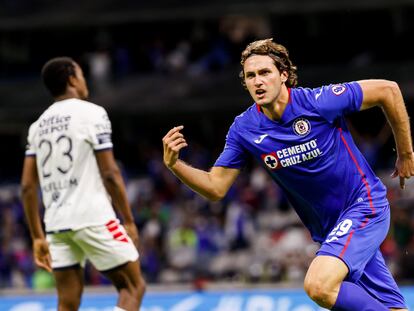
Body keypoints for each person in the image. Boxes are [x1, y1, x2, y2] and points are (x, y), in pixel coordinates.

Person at [162, 38, 414, 310]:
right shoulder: (244, 129)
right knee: (390, 306)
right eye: (250, 76)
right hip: (331, 230)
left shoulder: (317, 102)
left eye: (264, 73)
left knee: (319, 286)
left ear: (284, 75)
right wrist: (175, 165)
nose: (257, 81)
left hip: (364, 206)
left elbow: (388, 90)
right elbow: (215, 187)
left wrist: (406, 154)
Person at [21, 57, 145, 311]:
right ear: (72, 79)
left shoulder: (37, 127)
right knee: (133, 287)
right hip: (93, 216)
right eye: (82, 74)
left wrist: (37, 237)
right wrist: (128, 220)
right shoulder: (93, 114)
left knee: (67, 302)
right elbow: (110, 173)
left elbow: (27, 187)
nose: (84, 80)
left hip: (56, 224)